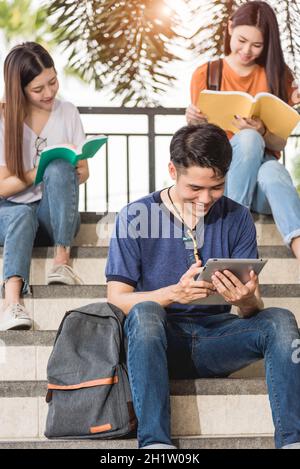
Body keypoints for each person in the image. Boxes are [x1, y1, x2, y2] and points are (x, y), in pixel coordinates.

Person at [105, 123, 300, 450]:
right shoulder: (136, 215)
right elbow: (117, 298)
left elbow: (252, 310)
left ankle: (293, 441)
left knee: (280, 321)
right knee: (145, 313)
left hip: (218, 339)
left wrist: (248, 299)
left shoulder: (237, 217)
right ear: (172, 170)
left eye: (217, 187)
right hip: (159, 341)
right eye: (195, 188)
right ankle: (155, 445)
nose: (206, 198)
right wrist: (172, 294)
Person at [186, 1, 300, 261]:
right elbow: (198, 144)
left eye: (257, 45)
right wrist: (193, 121)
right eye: (242, 40)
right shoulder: (206, 73)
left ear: (267, 43)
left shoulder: (278, 75)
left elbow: (279, 144)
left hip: (263, 191)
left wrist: (262, 130)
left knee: (271, 168)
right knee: (248, 140)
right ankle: (234, 227)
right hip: (221, 183)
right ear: (229, 29)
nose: (247, 50)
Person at [0, 42, 89, 331]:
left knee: (60, 166)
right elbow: (2, 188)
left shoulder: (67, 111)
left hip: (54, 219)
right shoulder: (3, 120)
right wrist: (37, 171)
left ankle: (61, 261)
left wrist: (76, 168)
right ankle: (13, 303)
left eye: (52, 82)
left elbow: (83, 174)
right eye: (38, 89)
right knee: (22, 214)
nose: (49, 93)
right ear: (19, 89)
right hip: (11, 213)